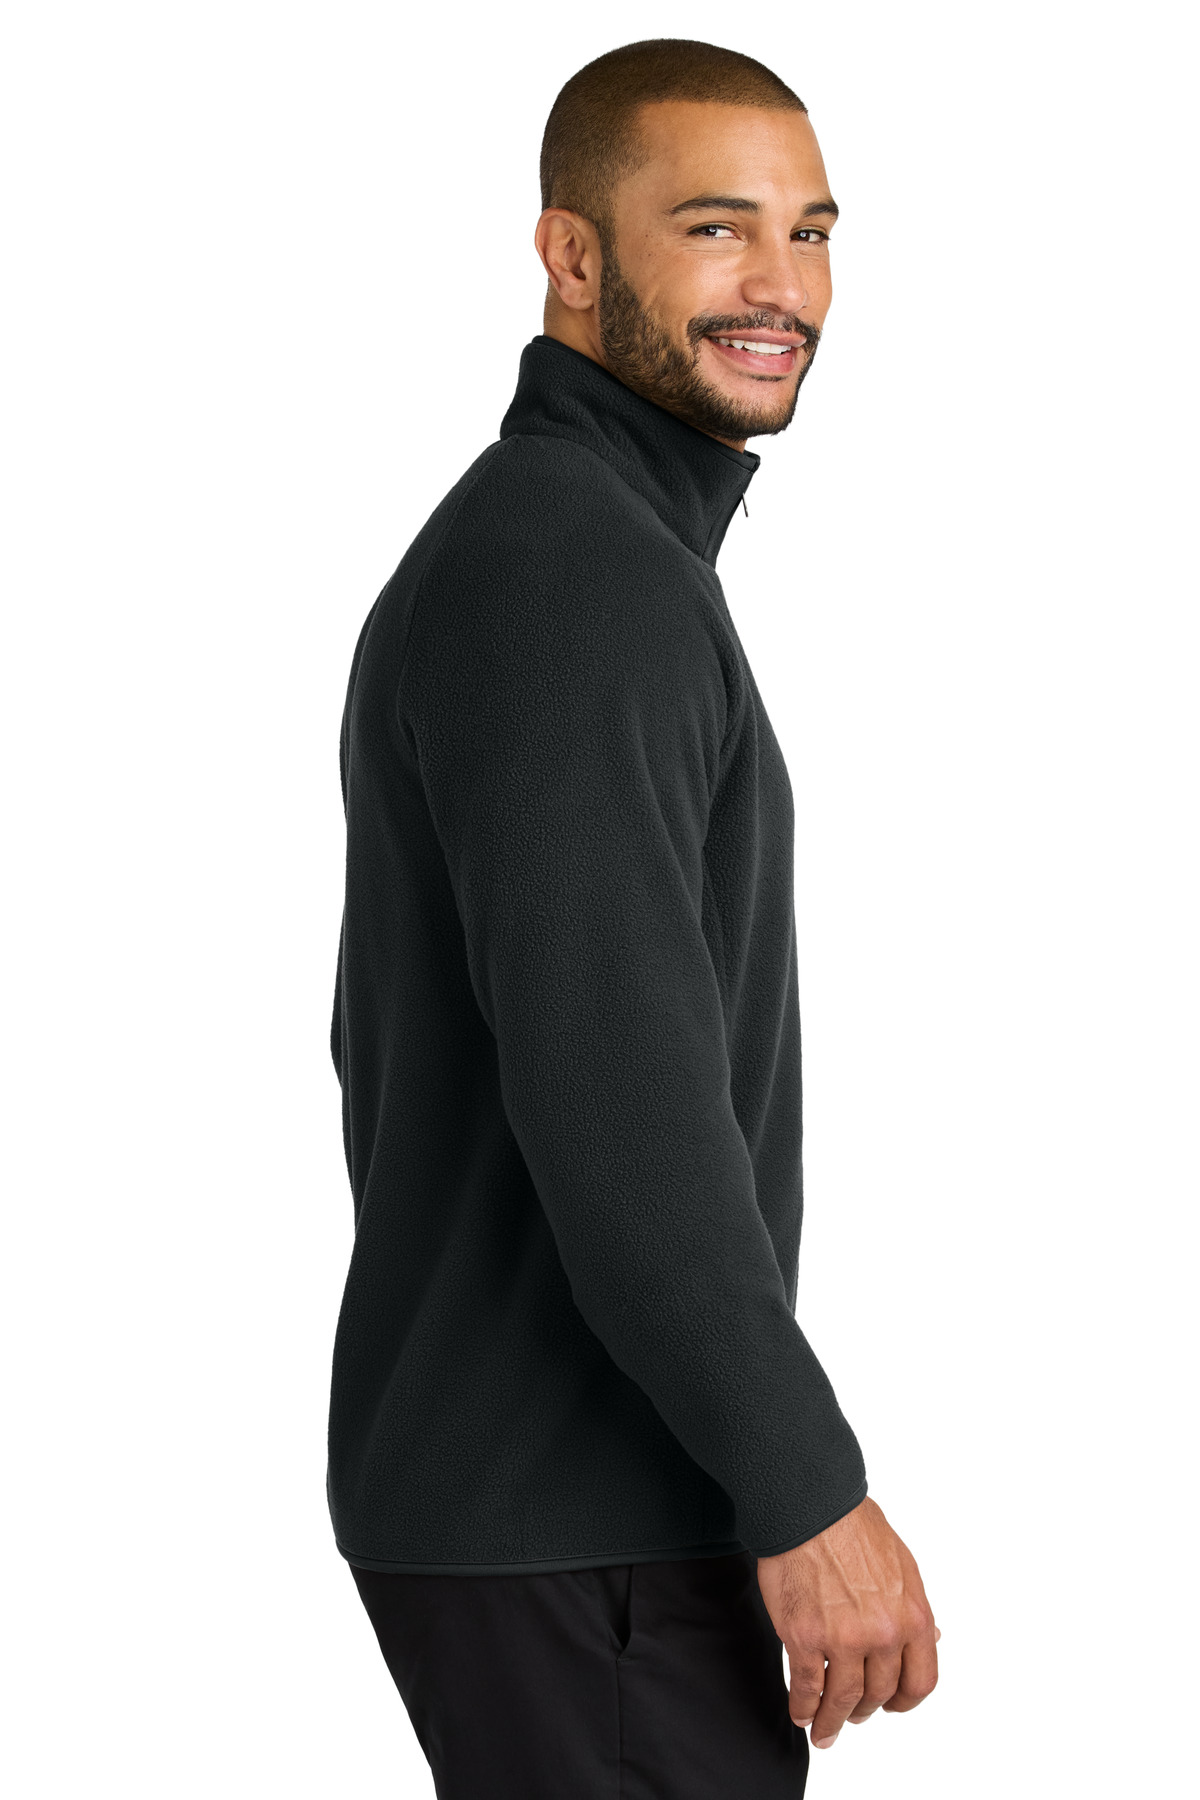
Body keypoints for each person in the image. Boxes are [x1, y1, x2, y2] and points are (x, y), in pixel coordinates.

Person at [328, 37, 939, 1798]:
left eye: (811, 233)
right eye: (716, 228)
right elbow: (616, 1093)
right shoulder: (569, 573)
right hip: (586, 1526)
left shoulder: (585, 551)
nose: (782, 287)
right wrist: (805, 1482)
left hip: (576, 1518)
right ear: (573, 255)